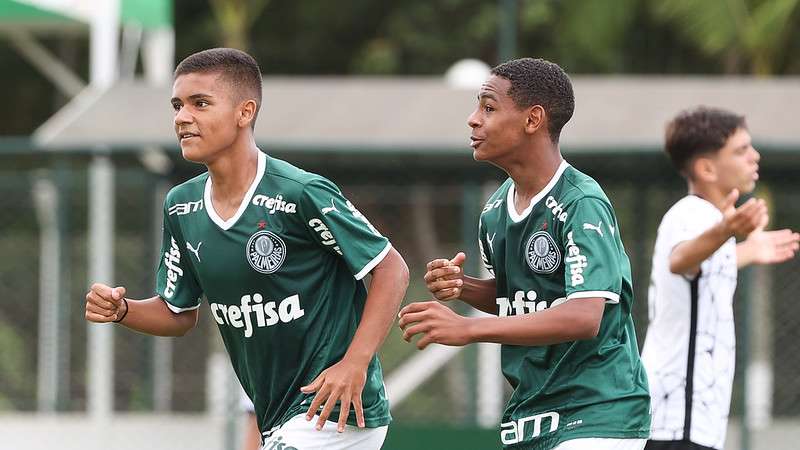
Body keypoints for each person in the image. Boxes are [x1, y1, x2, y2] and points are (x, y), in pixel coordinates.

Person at [84, 48, 409, 450]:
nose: (183, 117)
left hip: (334, 411)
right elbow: (176, 313)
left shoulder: (300, 192)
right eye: (177, 105)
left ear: (245, 112)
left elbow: (390, 269)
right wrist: (123, 310)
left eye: (200, 103)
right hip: (277, 418)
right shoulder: (181, 206)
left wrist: (355, 363)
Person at [399, 57, 651, 450]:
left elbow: (584, 316)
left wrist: (467, 329)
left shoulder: (581, 202)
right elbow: (521, 300)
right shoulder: (495, 212)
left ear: (533, 120)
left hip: (597, 411)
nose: (472, 119)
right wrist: (463, 287)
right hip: (531, 414)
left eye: (488, 107)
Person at [641, 107, 799, 450]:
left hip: (690, 421)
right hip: (674, 420)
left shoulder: (705, 220)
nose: (754, 156)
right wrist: (727, 229)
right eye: (741, 150)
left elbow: (701, 270)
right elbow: (680, 260)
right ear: (707, 168)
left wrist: (747, 251)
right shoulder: (692, 214)